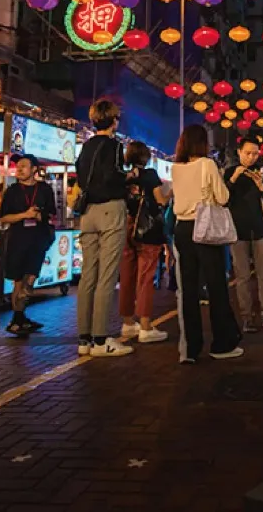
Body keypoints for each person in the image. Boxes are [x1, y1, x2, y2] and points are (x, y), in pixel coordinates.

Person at [171, 125, 243, 362]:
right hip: (204, 227)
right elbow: (223, 198)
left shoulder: (176, 168)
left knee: (188, 291)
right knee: (216, 287)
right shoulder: (207, 164)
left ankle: (190, 349)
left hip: (181, 229)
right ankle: (221, 344)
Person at [75, 99, 132, 357]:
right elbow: (115, 174)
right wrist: (129, 177)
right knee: (107, 277)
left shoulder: (85, 147)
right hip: (111, 211)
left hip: (88, 214)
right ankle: (101, 340)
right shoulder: (115, 146)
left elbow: (81, 175)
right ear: (114, 121)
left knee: (88, 276)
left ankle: (84, 339)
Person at [225, 138, 263, 333]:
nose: (251, 157)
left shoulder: (261, 172)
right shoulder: (230, 172)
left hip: (260, 229)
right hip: (238, 231)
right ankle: (247, 317)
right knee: (242, 276)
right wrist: (233, 178)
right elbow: (224, 199)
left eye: (255, 153)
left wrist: (261, 186)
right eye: (248, 153)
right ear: (239, 152)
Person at [0, 155, 56, 338]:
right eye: (18, 166)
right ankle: (17, 319)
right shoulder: (12, 191)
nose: (19, 169)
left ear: (34, 169)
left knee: (29, 281)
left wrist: (41, 217)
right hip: (17, 240)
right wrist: (25, 214)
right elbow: (4, 218)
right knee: (17, 282)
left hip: (37, 239)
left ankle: (20, 318)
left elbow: (53, 214)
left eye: (24, 166)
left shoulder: (45, 189)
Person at [119, 141, 170, 344]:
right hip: (147, 230)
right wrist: (170, 194)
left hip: (125, 227)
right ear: (146, 157)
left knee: (127, 275)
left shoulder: (123, 177)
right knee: (146, 276)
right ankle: (146, 326)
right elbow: (161, 201)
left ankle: (128, 323)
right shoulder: (150, 175)